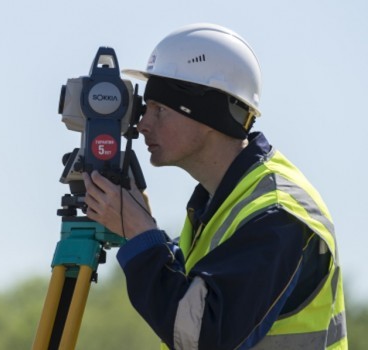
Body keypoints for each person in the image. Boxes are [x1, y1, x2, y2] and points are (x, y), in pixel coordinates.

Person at [82, 23, 347, 350]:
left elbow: (200, 337)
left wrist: (140, 235)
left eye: (160, 110)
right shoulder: (223, 204)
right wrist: (146, 231)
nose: (142, 124)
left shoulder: (278, 214)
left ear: (209, 117)